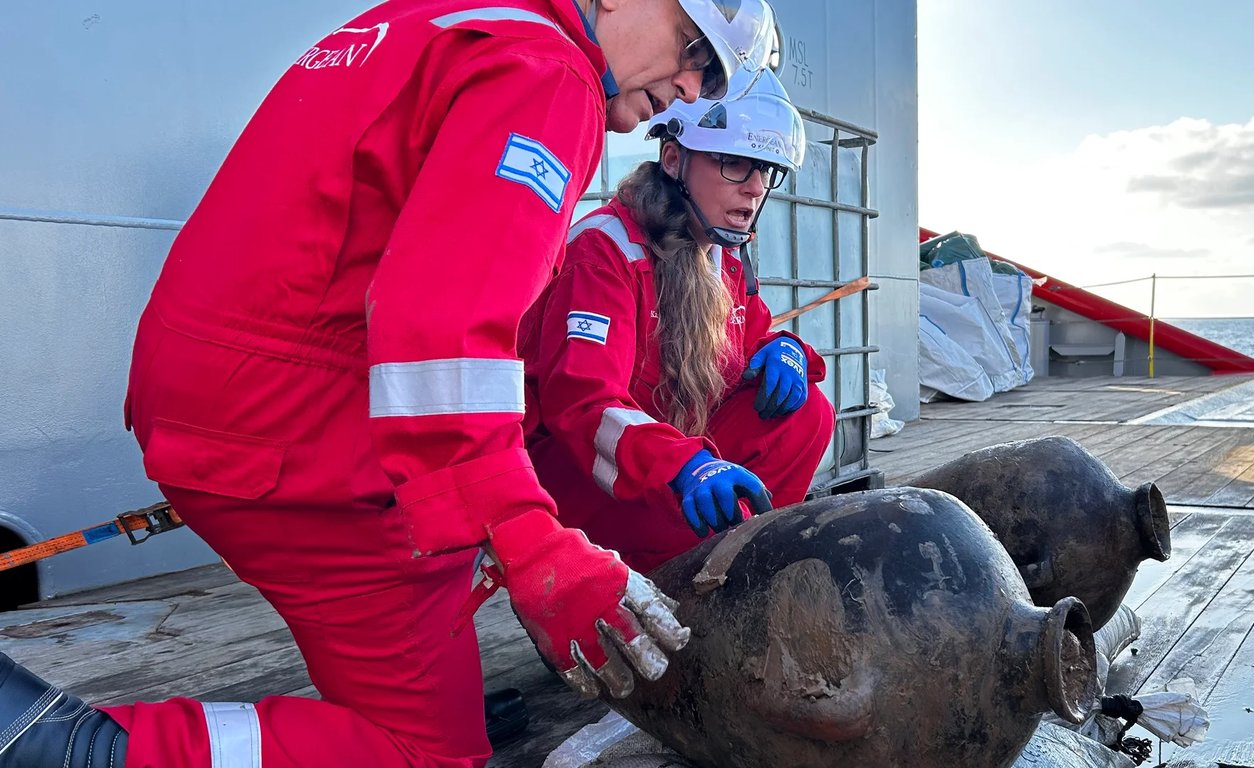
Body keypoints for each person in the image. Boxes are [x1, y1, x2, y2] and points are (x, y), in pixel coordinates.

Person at [0, 1, 780, 766]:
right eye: (691, 47)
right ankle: (69, 748)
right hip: (297, 434)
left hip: (226, 399)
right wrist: (533, 543)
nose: (690, 88)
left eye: (709, 76)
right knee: (424, 754)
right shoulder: (548, 74)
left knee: (427, 634)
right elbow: (442, 331)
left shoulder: (441, 22)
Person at [520, 69, 835, 574]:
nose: (755, 188)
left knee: (807, 414)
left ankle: (727, 559)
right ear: (674, 159)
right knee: (696, 518)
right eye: (734, 163)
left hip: (661, 465)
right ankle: (665, 579)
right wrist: (681, 467)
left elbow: (753, 335)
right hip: (588, 479)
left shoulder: (720, 257)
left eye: (765, 170)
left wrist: (789, 350)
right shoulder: (605, 252)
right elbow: (584, 404)